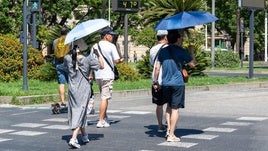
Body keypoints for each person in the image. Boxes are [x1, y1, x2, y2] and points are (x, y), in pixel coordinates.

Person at [153, 29, 196, 142]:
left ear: (167, 38)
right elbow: (192, 65)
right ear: (178, 39)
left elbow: (157, 68)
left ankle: (168, 130)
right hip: (177, 83)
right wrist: (191, 52)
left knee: (168, 107)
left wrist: (155, 81)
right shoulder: (181, 51)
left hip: (166, 83)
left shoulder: (162, 51)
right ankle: (171, 134)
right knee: (175, 109)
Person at [64, 38, 104, 148]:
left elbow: (65, 68)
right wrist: (98, 54)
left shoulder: (67, 58)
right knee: (81, 110)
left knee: (76, 110)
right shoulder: (88, 59)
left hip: (72, 88)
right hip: (83, 88)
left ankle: (84, 135)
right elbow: (102, 66)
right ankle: (74, 138)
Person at [91, 26, 124, 128]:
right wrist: (121, 60)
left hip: (98, 75)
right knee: (105, 98)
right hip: (107, 75)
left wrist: (91, 74)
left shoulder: (94, 46)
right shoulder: (111, 46)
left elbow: (91, 62)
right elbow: (116, 60)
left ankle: (104, 117)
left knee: (103, 96)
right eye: (111, 35)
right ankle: (101, 120)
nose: (113, 37)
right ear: (106, 36)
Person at [149, 30, 169, 132]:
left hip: (156, 80)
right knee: (170, 103)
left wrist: (155, 81)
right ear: (165, 37)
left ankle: (160, 124)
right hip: (167, 79)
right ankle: (169, 124)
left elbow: (153, 64)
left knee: (159, 104)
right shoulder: (168, 48)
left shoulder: (152, 49)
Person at [53, 28, 70, 106]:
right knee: (71, 82)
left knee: (61, 83)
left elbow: (54, 51)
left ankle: (63, 102)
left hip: (58, 63)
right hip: (68, 63)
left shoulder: (55, 41)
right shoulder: (70, 40)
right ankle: (72, 101)